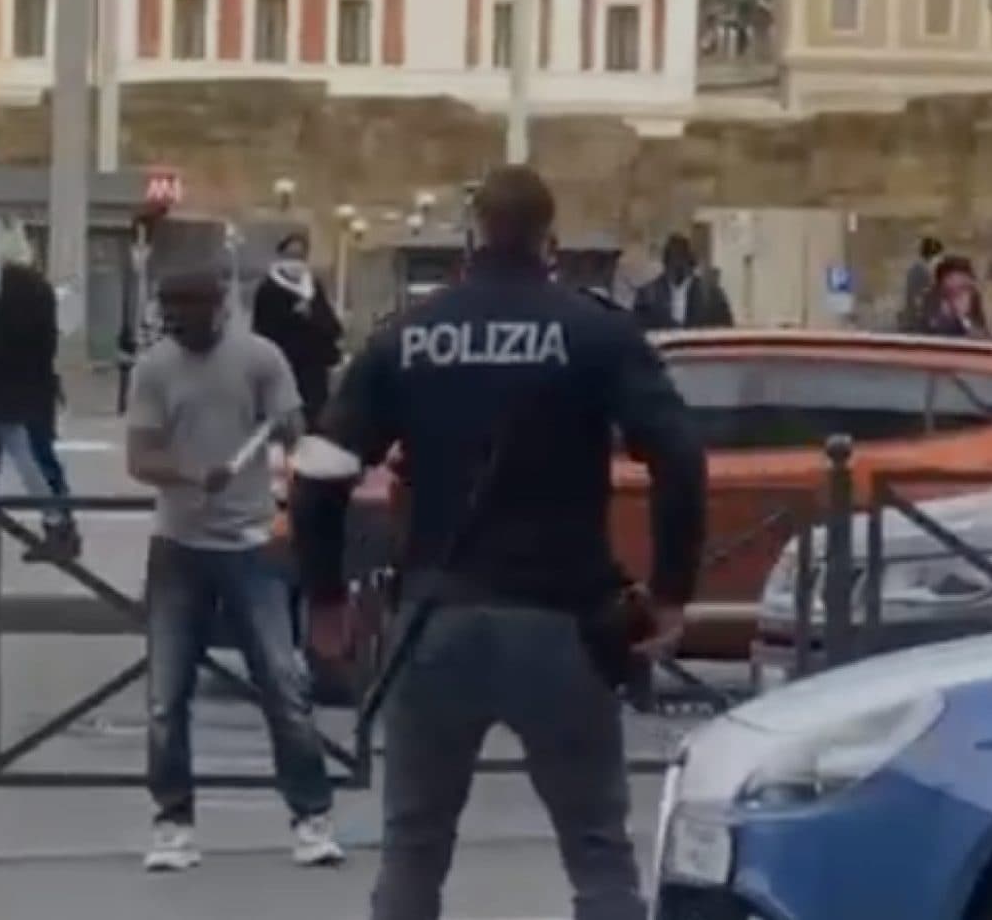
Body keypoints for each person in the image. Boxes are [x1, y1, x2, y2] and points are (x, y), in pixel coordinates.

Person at [289, 165, 706, 920]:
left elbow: (319, 470)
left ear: (473, 232)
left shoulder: (408, 336)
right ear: (550, 240)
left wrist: (323, 594)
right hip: (563, 621)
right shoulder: (594, 331)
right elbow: (679, 457)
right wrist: (671, 590)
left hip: (433, 620)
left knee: (413, 851)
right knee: (597, 852)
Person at [125, 268, 344, 873]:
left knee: (283, 683)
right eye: (168, 308)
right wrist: (195, 474)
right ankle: (172, 823)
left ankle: (311, 817)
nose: (176, 320)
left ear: (218, 304)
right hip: (178, 546)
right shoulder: (154, 368)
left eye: (187, 306)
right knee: (166, 697)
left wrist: (287, 427)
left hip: (252, 548)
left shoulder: (261, 358)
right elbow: (140, 457)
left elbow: (293, 428)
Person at [0, 263, 79, 550]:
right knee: (30, 463)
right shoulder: (42, 312)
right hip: (30, 400)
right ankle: (56, 524)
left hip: (0, 402)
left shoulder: (4, 312)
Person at [251, 233, 343, 429]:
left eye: (300, 257)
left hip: (313, 372)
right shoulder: (269, 289)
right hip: (283, 367)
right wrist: (293, 317)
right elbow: (264, 330)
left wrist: (313, 315)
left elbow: (332, 326)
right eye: (291, 256)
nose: (296, 263)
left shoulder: (312, 287)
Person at [631, 233, 733, 330]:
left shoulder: (712, 296)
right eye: (673, 259)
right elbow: (638, 332)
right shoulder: (647, 296)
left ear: (690, 262)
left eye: (681, 258)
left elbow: (724, 332)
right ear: (665, 263)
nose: (677, 264)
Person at [920, 255, 989, 338]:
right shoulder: (931, 297)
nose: (957, 282)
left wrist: (964, 317)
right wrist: (951, 312)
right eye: (951, 278)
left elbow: (982, 335)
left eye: (964, 284)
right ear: (942, 281)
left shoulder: (973, 296)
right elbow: (926, 331)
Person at [899, 236, 945, 332]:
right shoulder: (926, 271)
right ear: (934, 256)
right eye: (939, 257)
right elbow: (921, 300)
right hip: (921, 322)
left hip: (914, 317)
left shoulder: (915, 268)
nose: (941, 260)